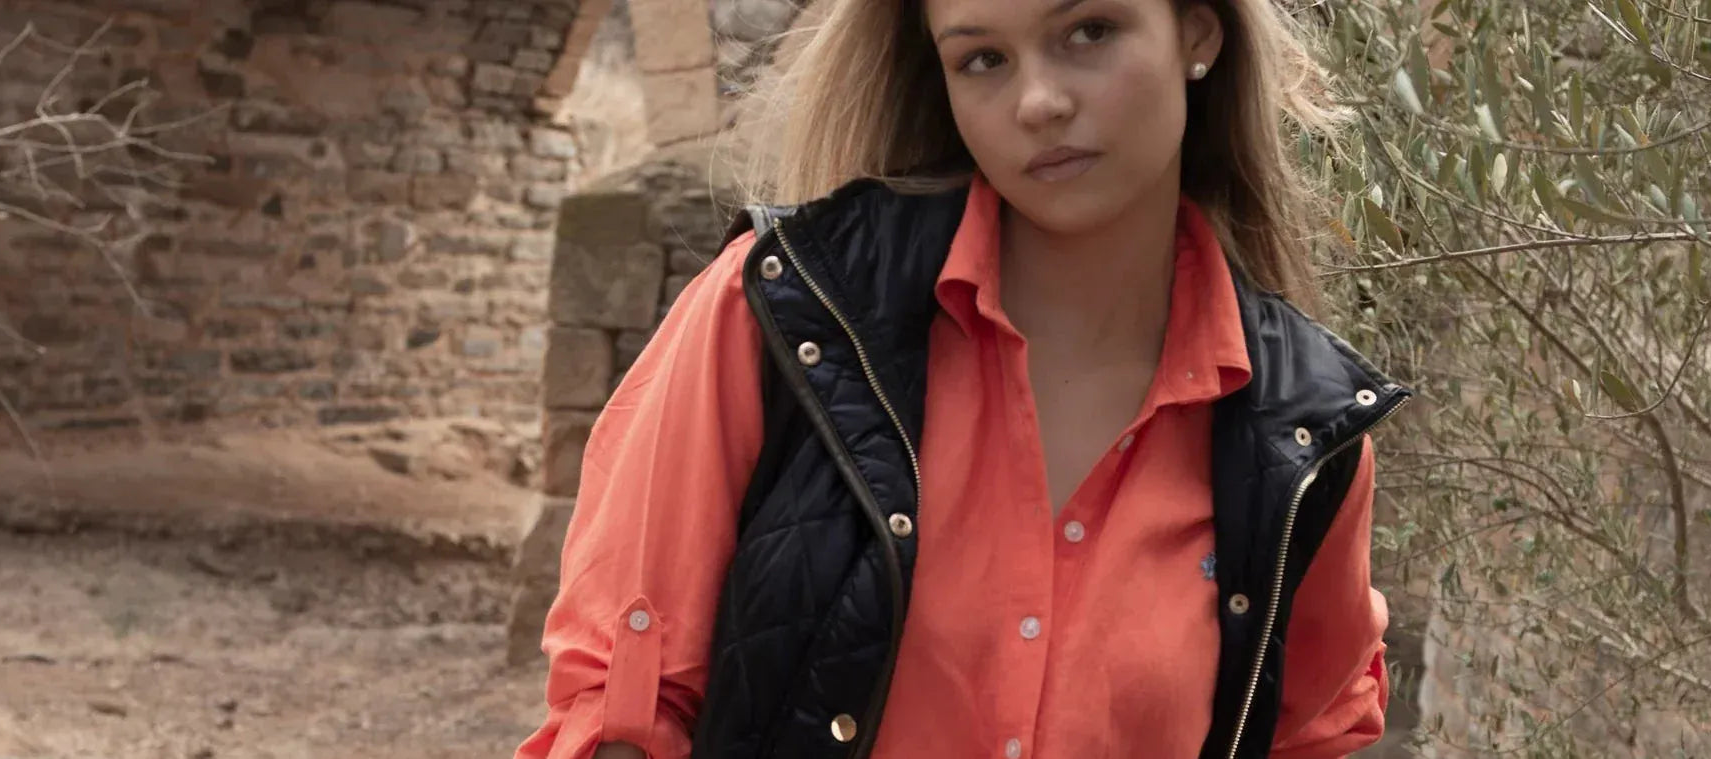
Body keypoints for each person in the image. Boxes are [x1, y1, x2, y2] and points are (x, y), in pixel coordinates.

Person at [518, 0, 1410, 756]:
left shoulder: (1304, 436)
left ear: (1199, 33)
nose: (1039, 101)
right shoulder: (782, 316)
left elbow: (1311, 736)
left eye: (1089, 31)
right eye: (982, 58)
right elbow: (621, 706)